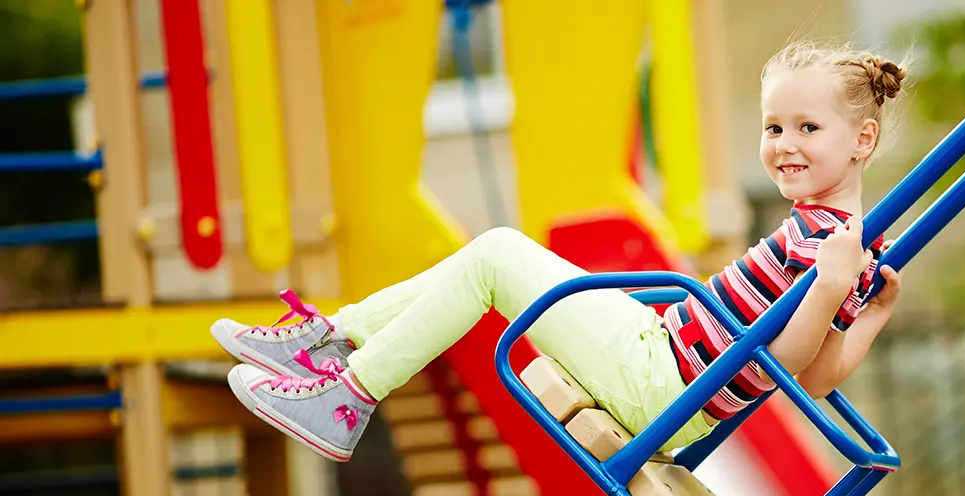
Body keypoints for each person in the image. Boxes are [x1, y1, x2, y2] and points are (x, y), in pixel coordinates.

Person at [211, 41, 908, 463]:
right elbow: (819, 374)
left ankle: (346, 395)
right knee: (493, 253)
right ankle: (333, 341)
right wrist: (873, 311)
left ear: (862, 141)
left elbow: (790, 370)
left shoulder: (832, 249)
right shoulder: (836, 242)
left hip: (664, 380)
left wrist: (834, 291)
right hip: (658, 345)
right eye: (774, 126)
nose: (783, 145)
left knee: (494, 257)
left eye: (807, 127)